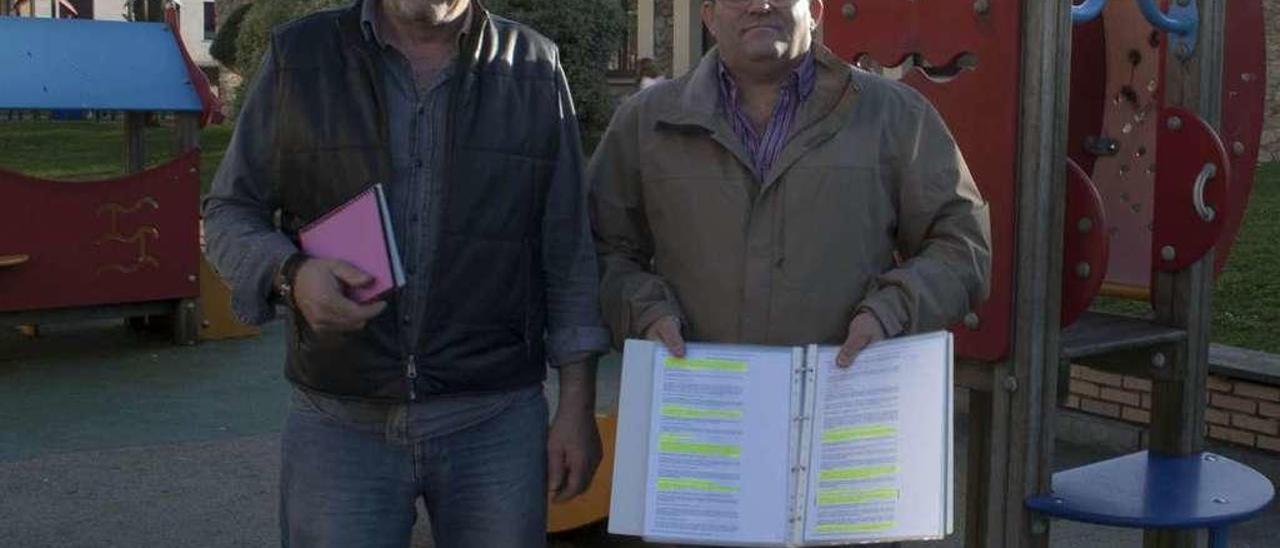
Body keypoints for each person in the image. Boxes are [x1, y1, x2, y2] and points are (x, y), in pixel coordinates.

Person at [202, 0, 610, 546]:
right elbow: (230, 211)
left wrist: (577, 405)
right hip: (339, 421)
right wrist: (291, 273)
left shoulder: (534, 66)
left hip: (494, 419)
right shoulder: (300, 56)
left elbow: (567, 248)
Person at [590, 0, 991, 366]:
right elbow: (601, 248)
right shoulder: (646, 123)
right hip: (699, 405)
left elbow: (961, 245)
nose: (759, 6)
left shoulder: (895, 116)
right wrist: (645, 311)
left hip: (841, 399)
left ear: (815, 9)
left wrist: (889, 313)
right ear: (709, 16)